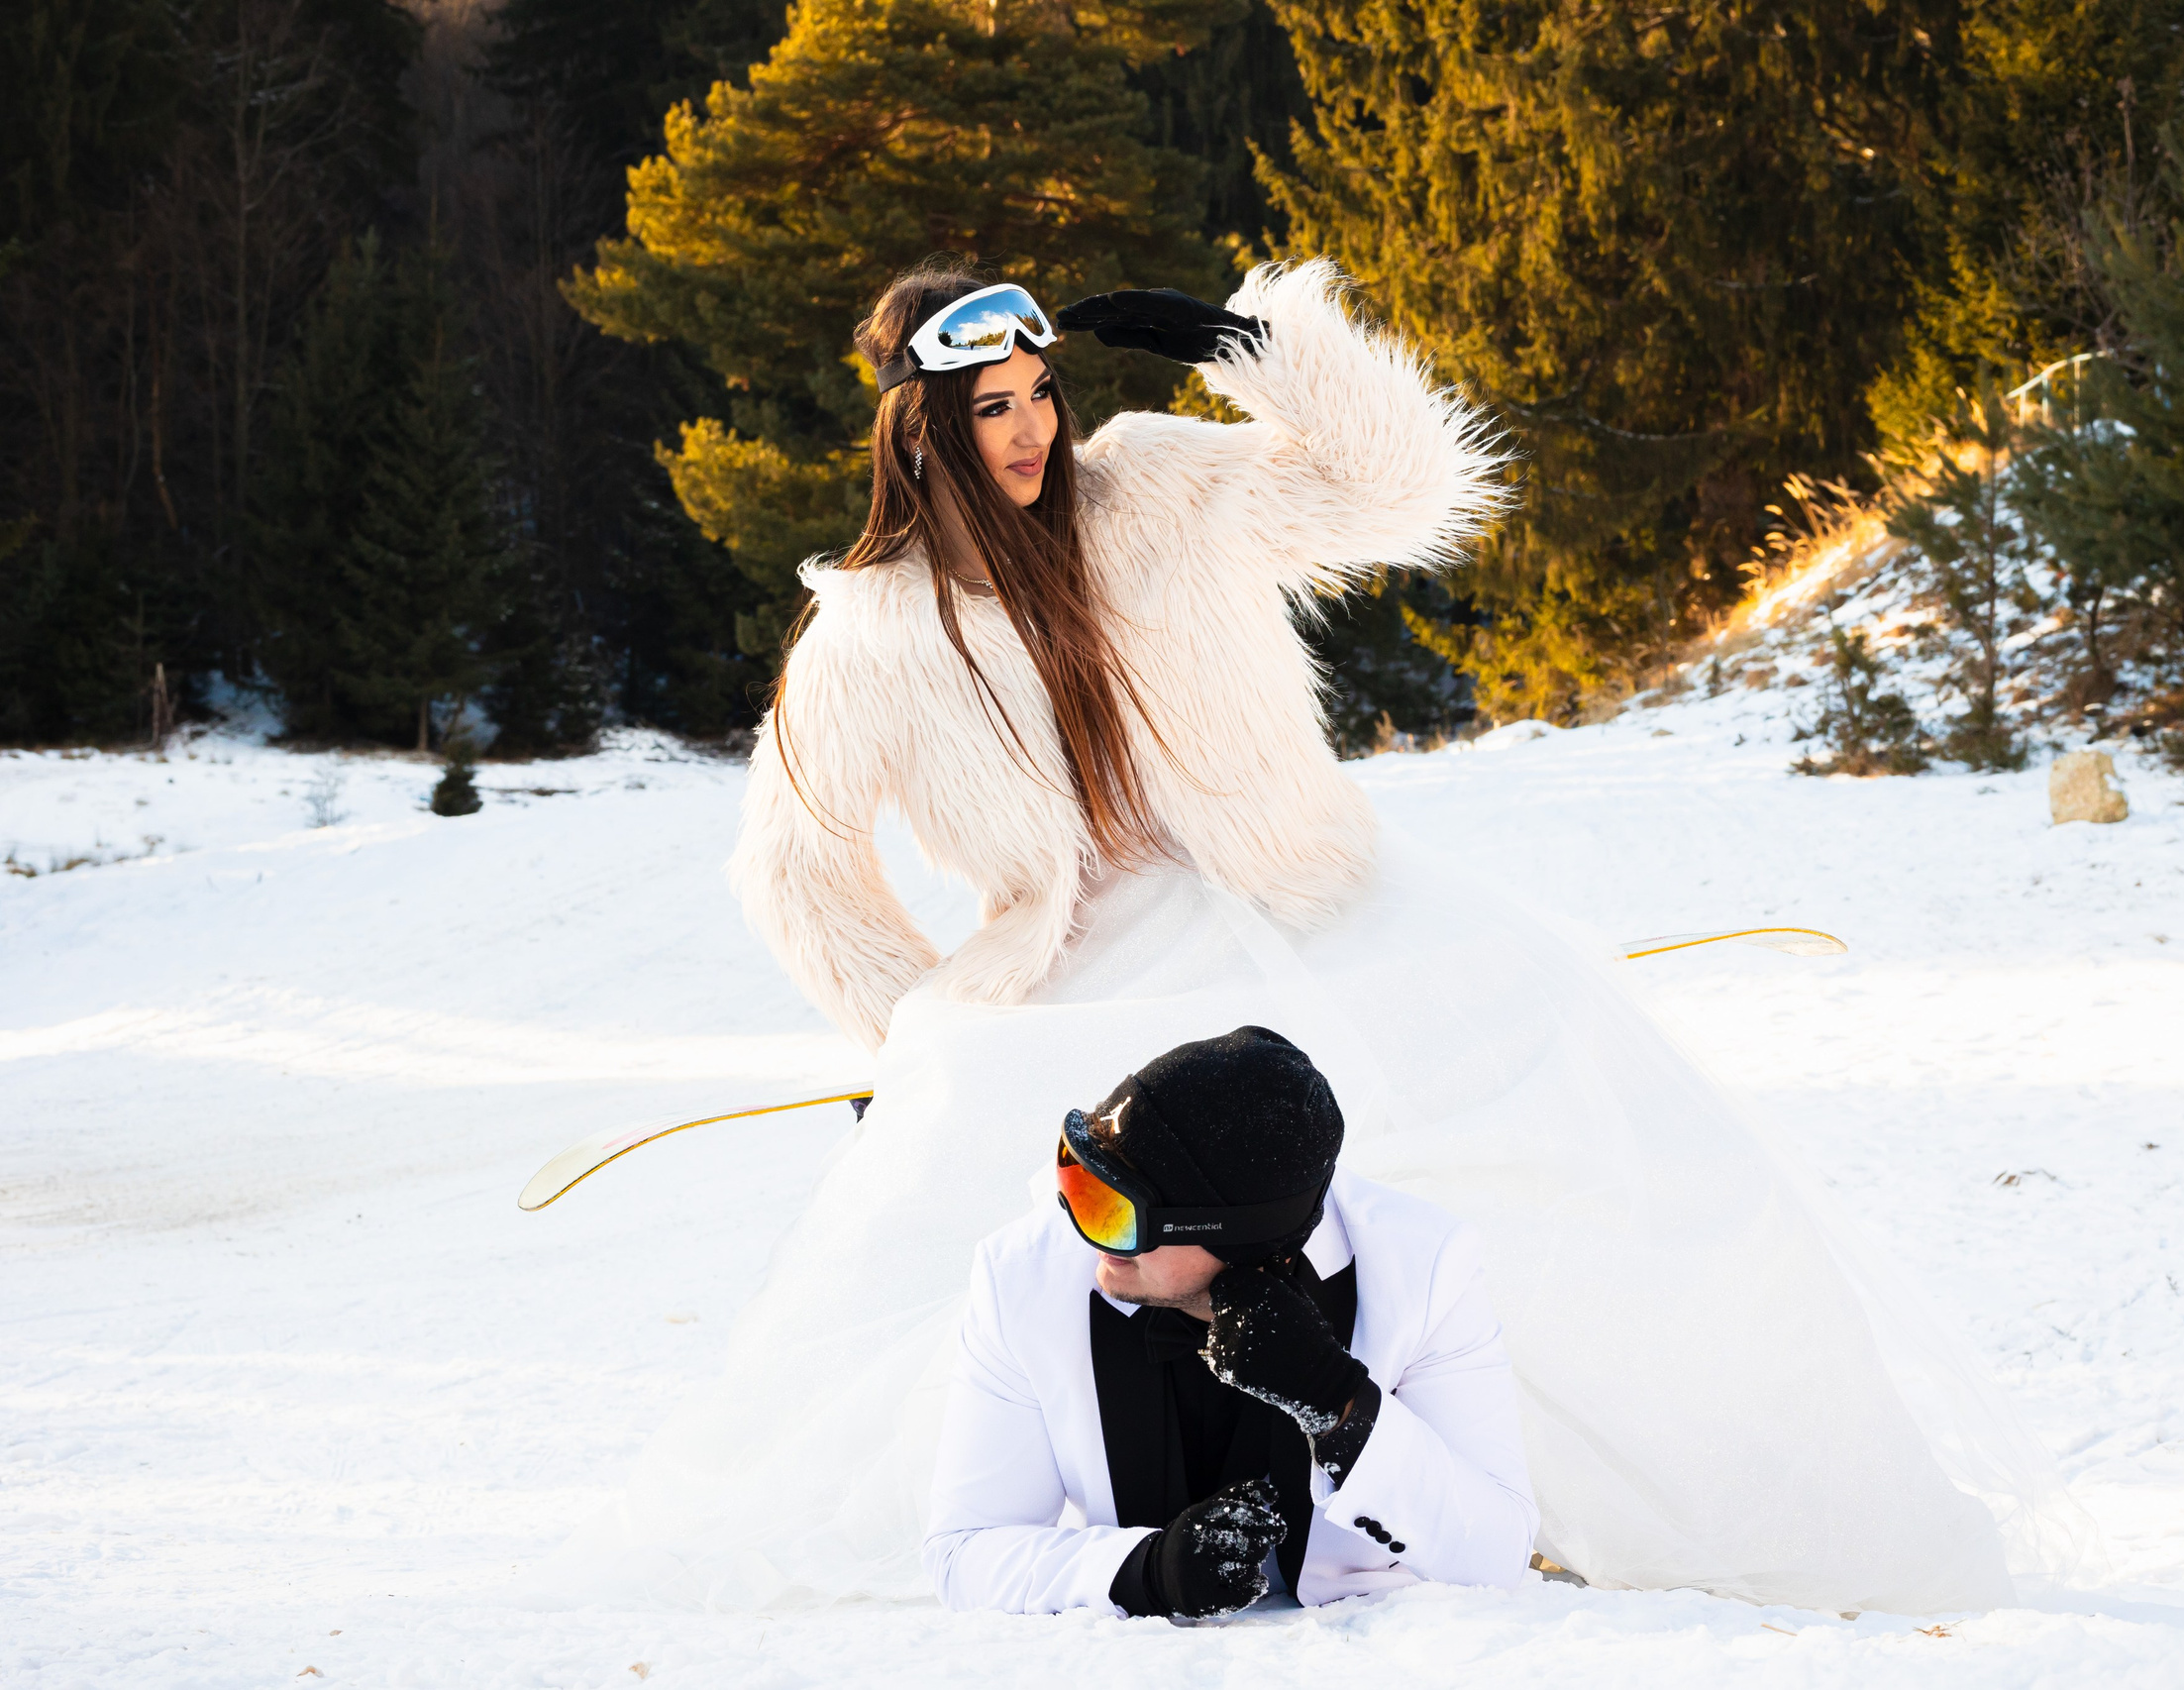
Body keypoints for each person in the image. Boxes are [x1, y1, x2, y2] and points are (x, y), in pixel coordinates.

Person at [553, 260, 2088, 1617]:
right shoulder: (871, 631)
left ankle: (1622, 1508)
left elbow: (1396, 494)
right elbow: (796, 871)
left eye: (1038, 394)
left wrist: (1253, 349)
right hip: (1084, 974)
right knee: (1012, 1267)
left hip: (1313, 897)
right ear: (914, 433)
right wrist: (923, 1035)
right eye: (987, 409)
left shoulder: (1155, 482)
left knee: (1593, 1158)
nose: (1029, 430)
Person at [924, 1026, 1536, 1616]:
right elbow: (964, 1552)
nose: (1083, 1229)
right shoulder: (1022, 1277)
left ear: (1236, 1236)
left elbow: (1497, 1552)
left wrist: (1339, 1403)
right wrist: (1146, 1571)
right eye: (1079, 1178)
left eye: (1118, 1210)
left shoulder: (1424, 1269)